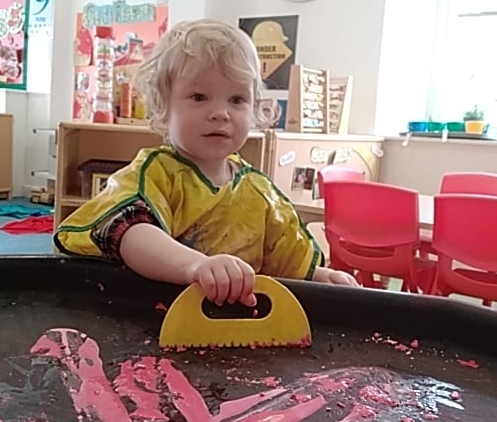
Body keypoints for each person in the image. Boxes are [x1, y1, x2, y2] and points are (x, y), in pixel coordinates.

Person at [54, 19, 357, 306]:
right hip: (157, 318)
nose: (220, 113)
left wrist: (320, 277)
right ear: (162, 106)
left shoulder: (259, 191)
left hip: (238, 325)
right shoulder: (155, 174)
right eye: (199, 97)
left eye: (236, 100)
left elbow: (286, 259)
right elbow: (129, 233)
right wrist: (196, 266)